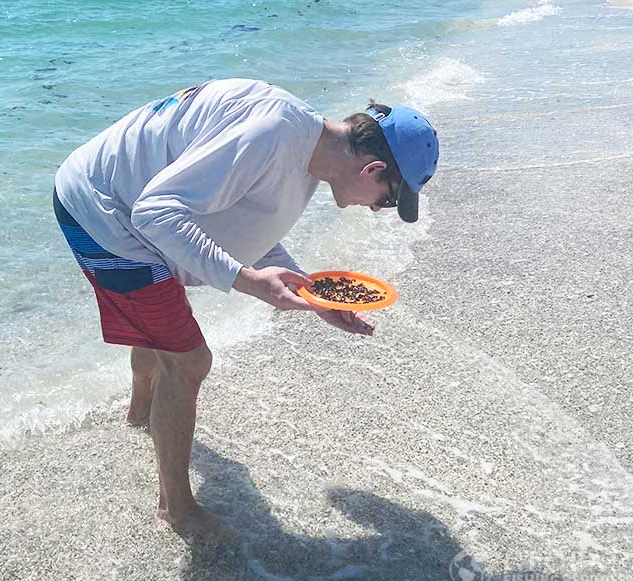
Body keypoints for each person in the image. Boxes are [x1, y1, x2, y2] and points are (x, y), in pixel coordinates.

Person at [53, 78, 438, 537]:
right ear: (373, 168)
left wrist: (314, 296)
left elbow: (254, 227)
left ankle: (140, 415)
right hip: (101, 212)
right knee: (190, 360)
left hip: (126, 203)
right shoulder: (271, 133)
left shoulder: (307, 151)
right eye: (390, 199)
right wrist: (246, 280)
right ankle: (176, 510)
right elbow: (155, 213)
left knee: (166, 325)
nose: (379, 210)